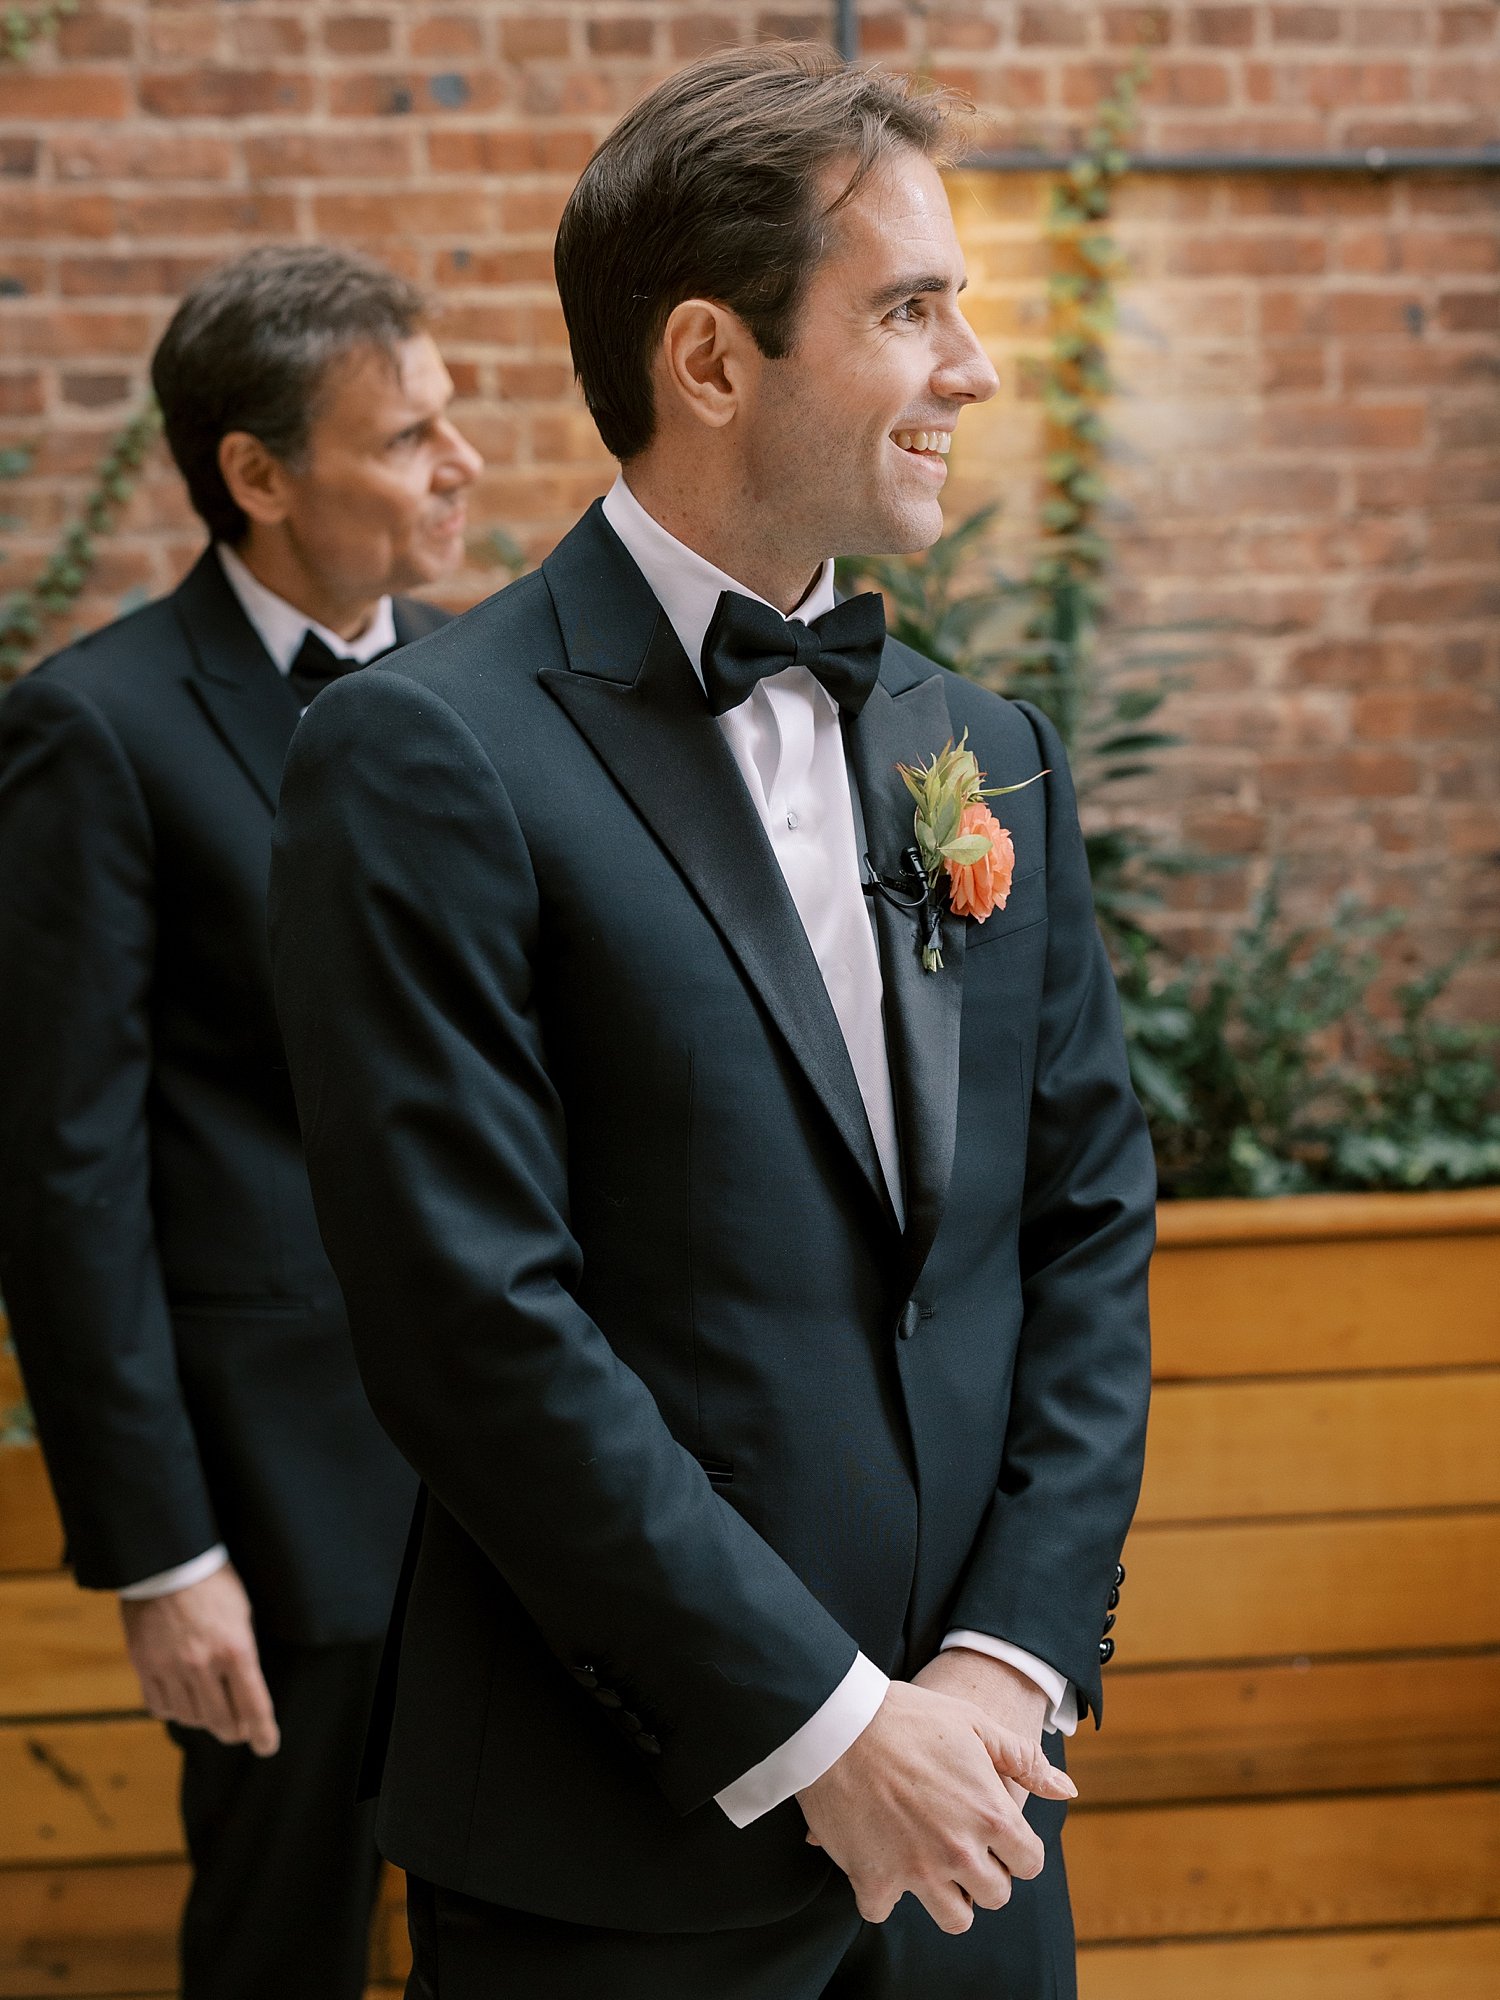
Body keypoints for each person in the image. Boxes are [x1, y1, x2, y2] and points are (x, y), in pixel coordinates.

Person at [268, 44, 1153, 2000]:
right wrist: (830, 1730)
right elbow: (469, 1317)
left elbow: (1082, 1230)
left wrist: (1005, 1666)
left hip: (981, 1841)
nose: (972, 368)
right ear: (713, 357)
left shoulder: (983, 755)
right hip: (623, 1864)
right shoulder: (426, 755)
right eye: (912, 307)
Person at [0, 245, 482, 2000]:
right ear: (258, 476)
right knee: (284, 1943)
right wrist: (164, 1553)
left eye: (451, 418)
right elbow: (65, 1174)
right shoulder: (96, 730)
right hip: (283, 1506)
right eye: (409, 434)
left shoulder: (485, 680)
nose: (463, 464)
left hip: (523, 1463)